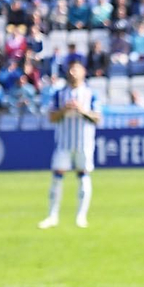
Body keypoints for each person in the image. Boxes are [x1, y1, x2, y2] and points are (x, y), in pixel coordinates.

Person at [38, 61, 101, 230]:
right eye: (71, 69)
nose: (73, 72)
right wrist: (64, 110)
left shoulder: (90, 94)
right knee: (57, 176)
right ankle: (52, 216)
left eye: (76, 69)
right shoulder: (60, 94)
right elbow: (51, 117)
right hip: (64, 142)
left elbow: (97, 118)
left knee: (83, 175)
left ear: (83, 72)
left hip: (84, 142)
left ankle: (81, 216)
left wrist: (82, 110)